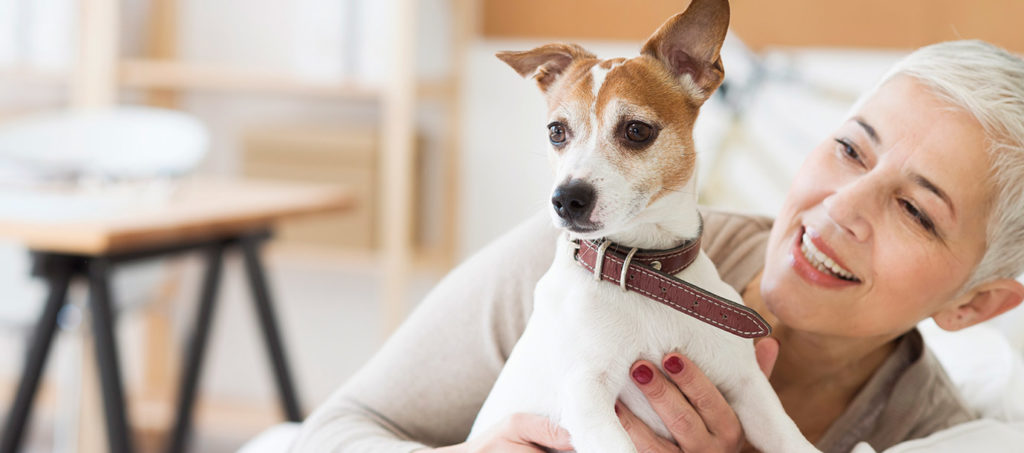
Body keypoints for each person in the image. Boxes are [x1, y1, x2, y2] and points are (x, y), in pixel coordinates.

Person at [289, 40, 1024, 453]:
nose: (841, 208)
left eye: (917, 212)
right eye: (849, 150)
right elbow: (333, 434)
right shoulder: (581, 256)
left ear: (977, 303)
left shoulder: (935, 438)